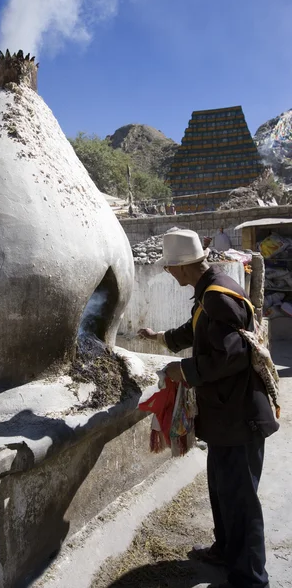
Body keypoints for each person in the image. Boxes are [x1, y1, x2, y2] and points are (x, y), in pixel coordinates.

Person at [138, 228, 278, 588]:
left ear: (183, 267)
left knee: (240, 499)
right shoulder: (211, 288)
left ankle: (250, 577)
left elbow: (230, 356)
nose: (169, 273)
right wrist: (162, 339)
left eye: (171, 267)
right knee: (221, 488)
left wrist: (181, 370)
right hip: (224, 415)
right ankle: (225, 550)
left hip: (240, 416)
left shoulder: (216, 296)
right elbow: (198, 328)